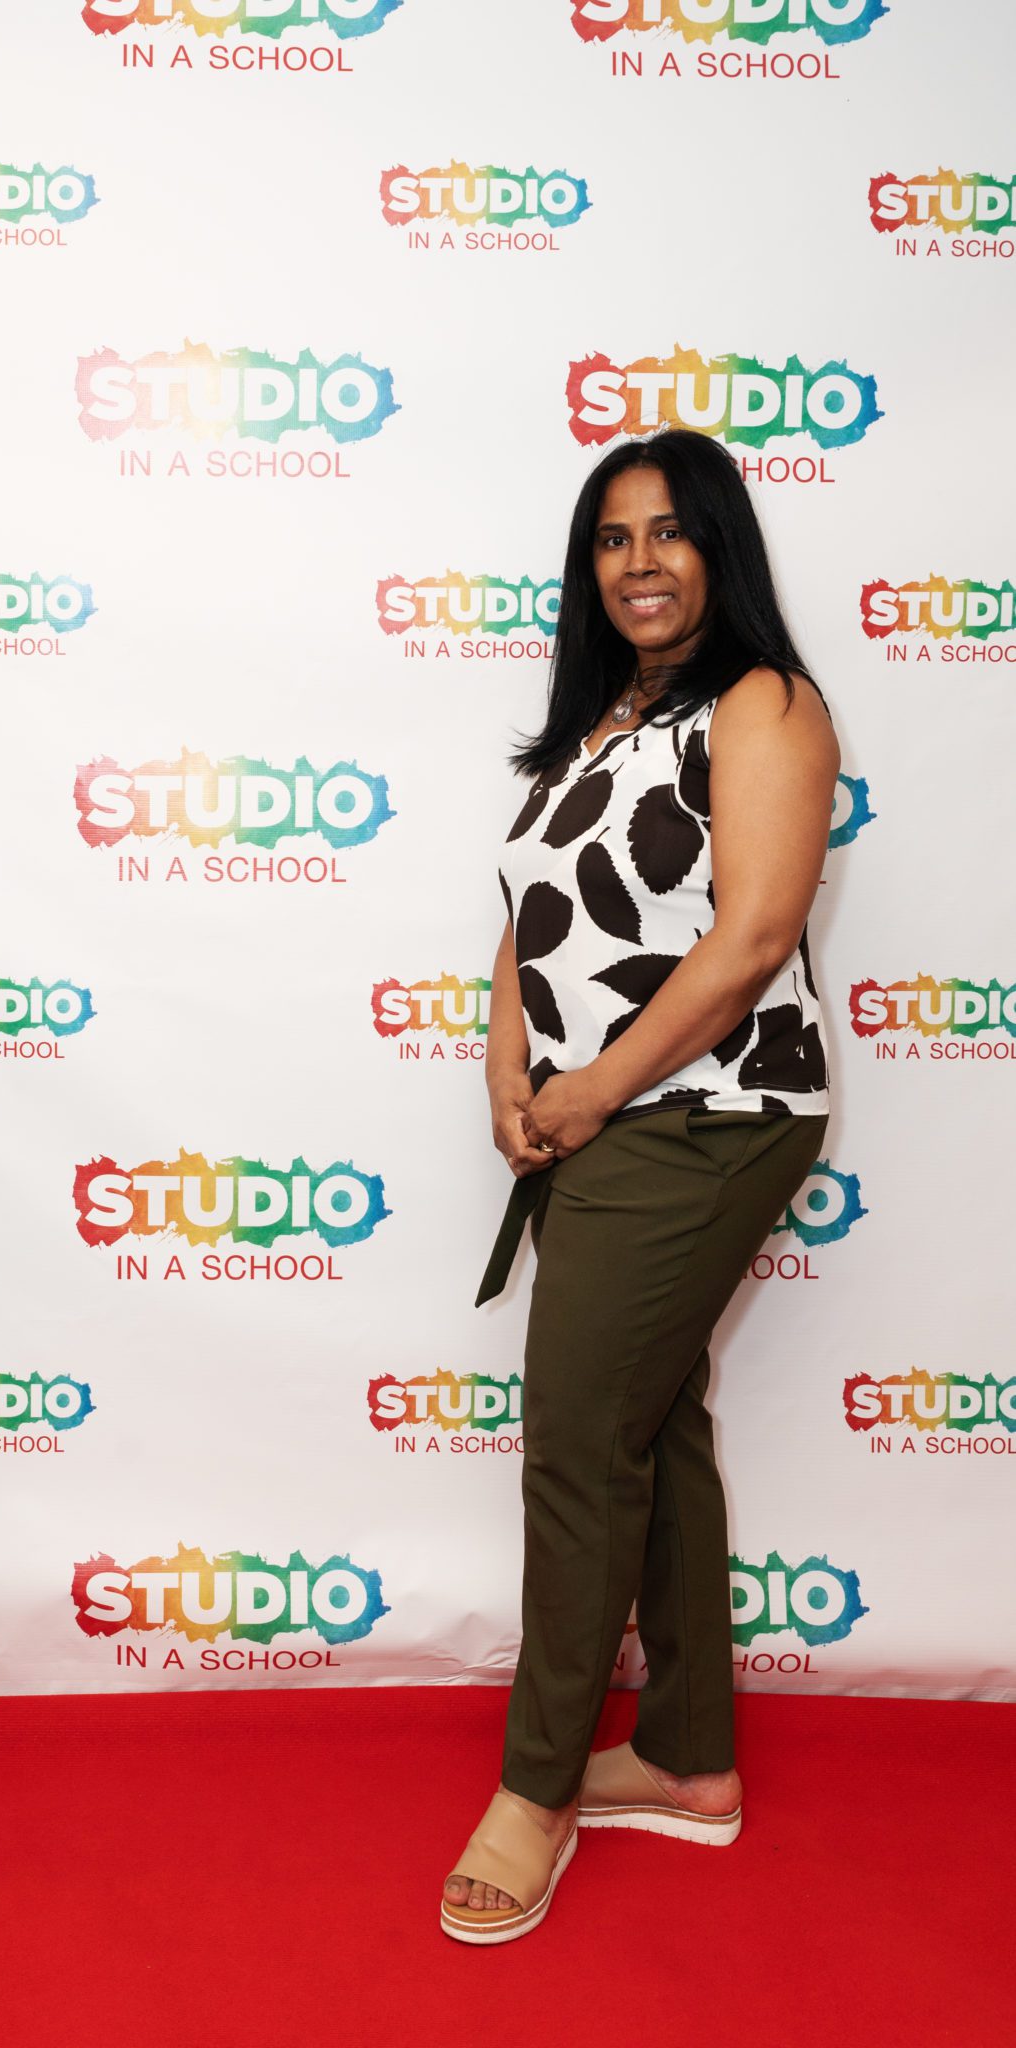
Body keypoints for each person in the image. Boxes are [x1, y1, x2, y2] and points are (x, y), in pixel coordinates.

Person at [440, 431, 838, 1944]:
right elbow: (527, 920)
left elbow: (751, 939)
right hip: (602, 1119)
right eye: (612, 539)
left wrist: (592, 1090)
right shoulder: (602, 719)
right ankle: (685, 1758)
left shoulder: (764, 703)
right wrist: (507, 1071)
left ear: (718, 547)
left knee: (577, 1443)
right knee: (650, 1424)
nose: (640, 562)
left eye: (669, 532)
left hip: (711, 1114)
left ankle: (534, 1788)